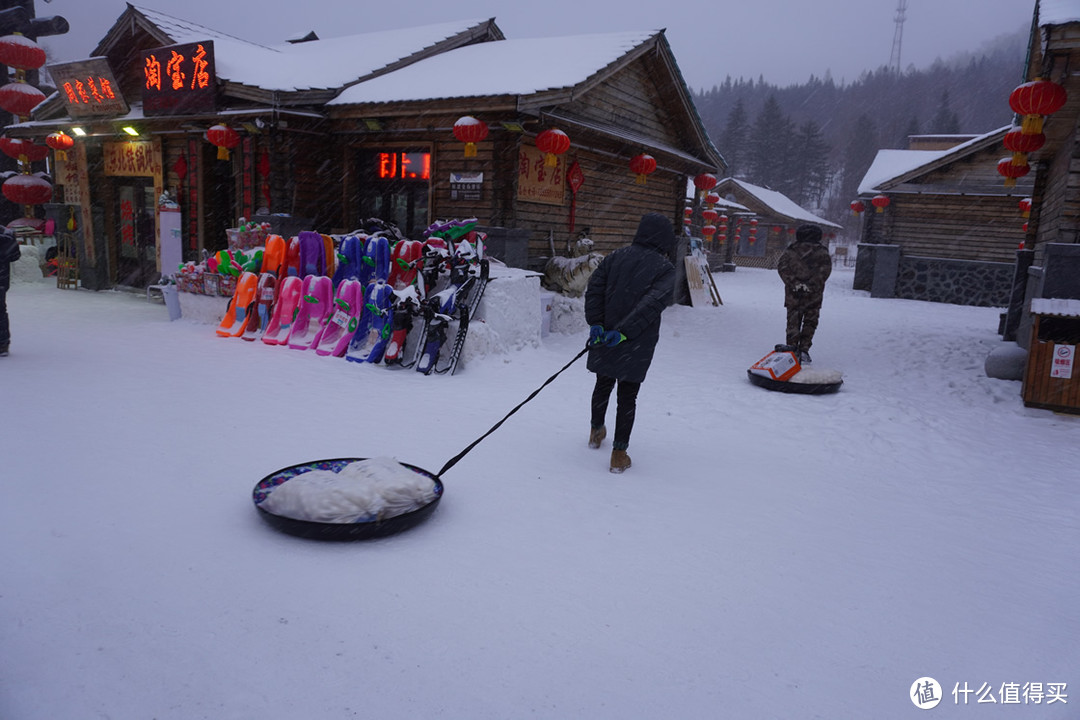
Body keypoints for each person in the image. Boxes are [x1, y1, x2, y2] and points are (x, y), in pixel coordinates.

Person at [584, 212, 676, 473]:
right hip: (636, 341)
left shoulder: (615, 257)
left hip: (608, 335)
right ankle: (619, 454)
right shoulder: (664, 269)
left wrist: (598, 323)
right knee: (627, 395)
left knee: (603, 384)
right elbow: (651, 305)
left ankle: (596, 431)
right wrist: (623, 332)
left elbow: (595, 290)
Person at [777, 223, 832, 364]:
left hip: (793, 294)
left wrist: (795, 283)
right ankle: (804, 349)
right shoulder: (822, 252)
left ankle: (792, 348)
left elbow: (783, 268)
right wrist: (811, 285)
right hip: (814, 295)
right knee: (810, 322)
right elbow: (824, 272)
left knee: (793, 321)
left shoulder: (791, 251)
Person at [1, 227, 21, 357]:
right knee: (0, 311)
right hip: (1, 280)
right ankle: (2, 343)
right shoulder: (6, 235)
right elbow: (15, 256)